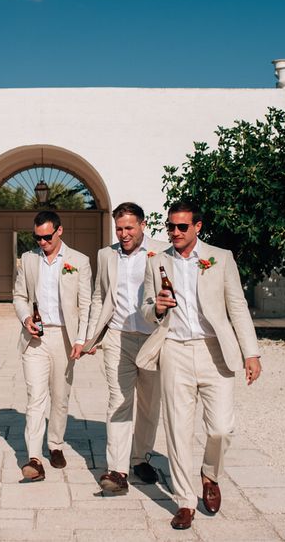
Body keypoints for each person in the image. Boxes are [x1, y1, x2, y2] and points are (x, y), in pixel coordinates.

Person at [137, 200, 261, 530]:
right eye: (169, 227)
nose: (174, 232)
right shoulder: (156, 262)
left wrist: (251, 353)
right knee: (178, 429)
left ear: (197, 227)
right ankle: (184, 501)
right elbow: (146, 310)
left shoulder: (220, 258)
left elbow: (237, 307)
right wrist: (158, 309)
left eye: (181, 227)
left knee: (221, 427)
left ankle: (210, 474)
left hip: (214, 350)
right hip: (174, 349)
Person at [81, 202, 169, 494]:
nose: (123, 234)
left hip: (153, 338)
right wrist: (92, 336)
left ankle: (140, 457)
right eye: (119, 228)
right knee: (118, 401)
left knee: (149, 403)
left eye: (129, 228)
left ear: (143, 225)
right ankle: (117, 470)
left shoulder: (162, 252)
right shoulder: (106, 254)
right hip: (118, 336)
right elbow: (98, 296)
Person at [13, 210, 92, 482]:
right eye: (37, 238)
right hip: (35, 338)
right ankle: (34, 457)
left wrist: (81, 339)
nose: (42, 243)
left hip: (64, 337)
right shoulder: (28, 259)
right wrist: (25, 318)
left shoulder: (79, 261)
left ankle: (55, 443)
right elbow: (19, 296)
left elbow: (86, 304)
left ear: (59, 231)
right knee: (35, 397)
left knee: (60, 396)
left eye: (47, 237)